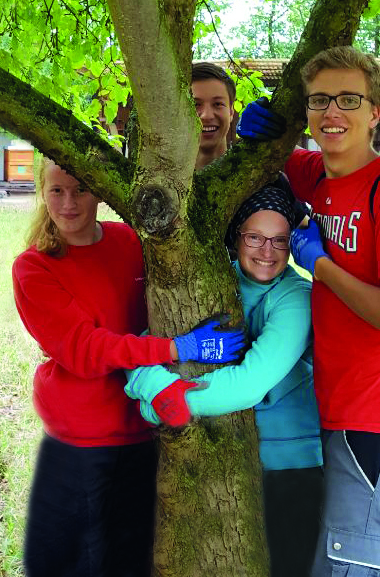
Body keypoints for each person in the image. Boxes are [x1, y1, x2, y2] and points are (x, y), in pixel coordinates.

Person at [238, 46, 380, 576]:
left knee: (365, 564)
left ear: (375, 112)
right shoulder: (317, 179)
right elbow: (281, 156)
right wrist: (256, 127)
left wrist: (320, 266)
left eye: (349, 100)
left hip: (374, 421)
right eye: (319, 100)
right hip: (325, 414)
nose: (333, 113)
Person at [12, 158, 246, 577]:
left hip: (143, 429)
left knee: (133, 559)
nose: (68, 203)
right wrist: (177, 348)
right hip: (82, 441)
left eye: (80, 189)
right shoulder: (35, 267)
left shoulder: (127, 241)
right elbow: (85, 351)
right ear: (42, 194)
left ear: (99, 191)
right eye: (56, 191)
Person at [125, 183, 323, 577]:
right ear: (237, 237)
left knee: (287, 567)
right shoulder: (215, 280)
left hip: (291, 464)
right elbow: (142, 350)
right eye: (255, 238)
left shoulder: (296, 296)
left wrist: (176, 402)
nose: (267, 252)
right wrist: (153, 390)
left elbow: (252, 383)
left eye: (279, 241)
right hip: (224, 451)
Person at [191, 62, 236, 170]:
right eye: (195, 104)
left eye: (217, 104)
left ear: (231, 112)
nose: (207, 116)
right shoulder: (154, 180)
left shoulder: (266, 179)